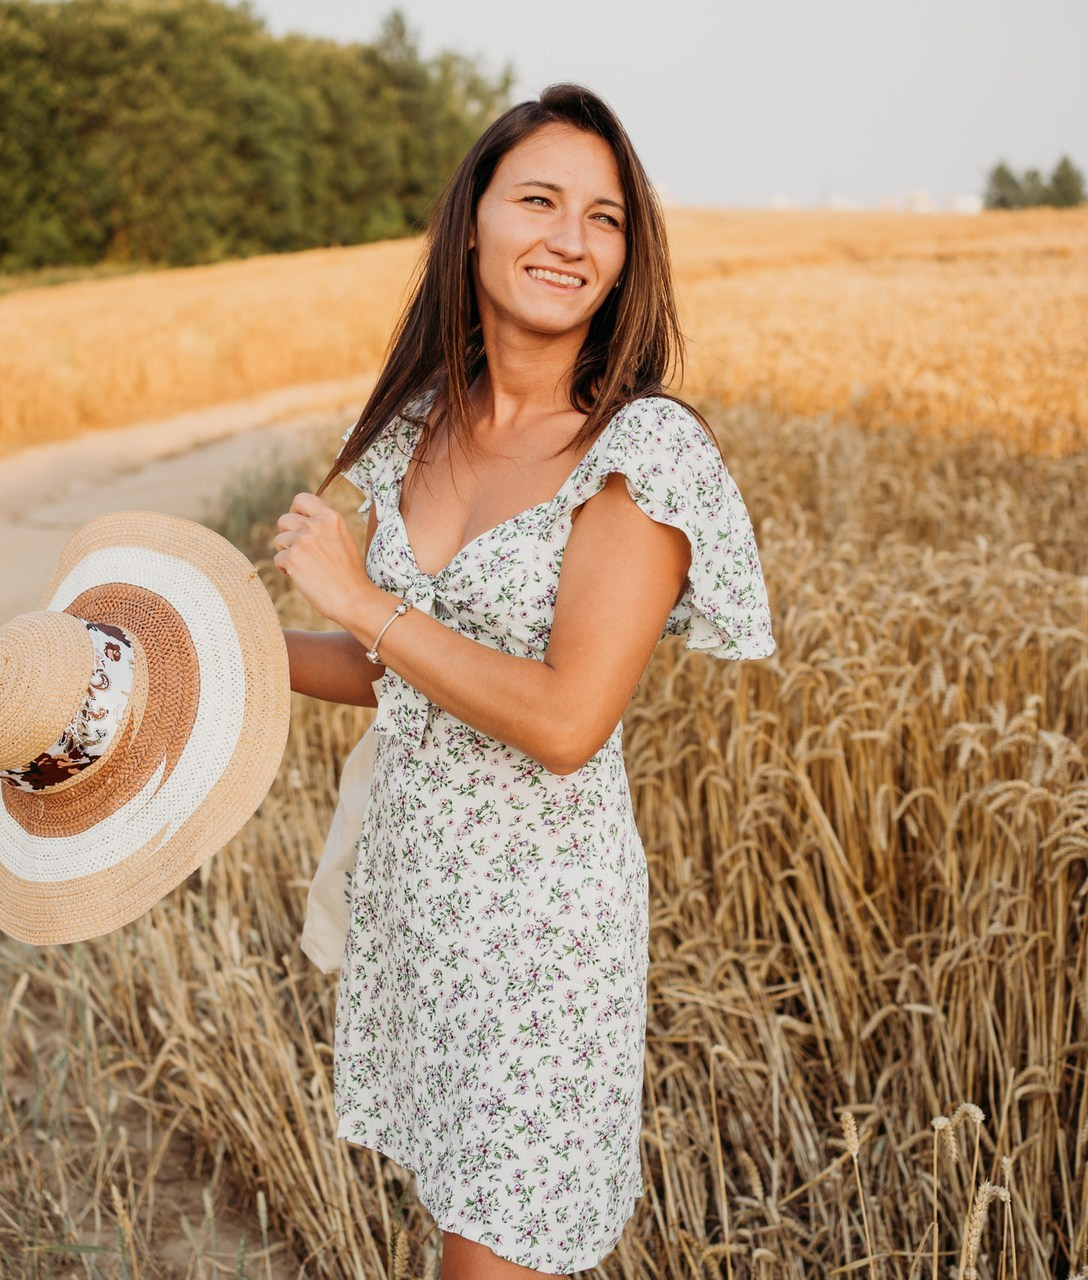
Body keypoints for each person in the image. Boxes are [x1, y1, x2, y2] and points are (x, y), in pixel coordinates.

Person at [272, 83, 774, 1280]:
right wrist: (214, 647)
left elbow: (563, 718)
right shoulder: (419, 425)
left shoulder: (637, 453)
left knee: (490, 1254)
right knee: (454, 1226)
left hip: (540, 938)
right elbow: (400, 672)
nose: (570, 238)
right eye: (538, 200)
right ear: (470, 225)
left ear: (625, 257)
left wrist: (360, 597)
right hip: (420, 904)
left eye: (603, 218)